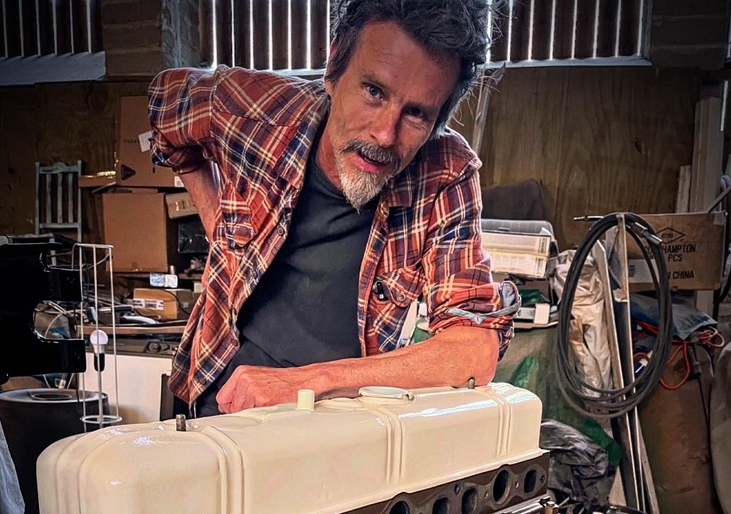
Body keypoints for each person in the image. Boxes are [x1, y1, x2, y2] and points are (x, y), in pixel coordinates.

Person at [149, 0, 517, 417]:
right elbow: (164, 102)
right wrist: (216, 220)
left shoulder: (446, 171)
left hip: (342, 428)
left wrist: (312, 382)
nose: (384, 135)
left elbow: (473, 349)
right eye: (373, 91)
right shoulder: (255, 111)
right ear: (333, 69)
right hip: (215, 405)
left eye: (416, 113)